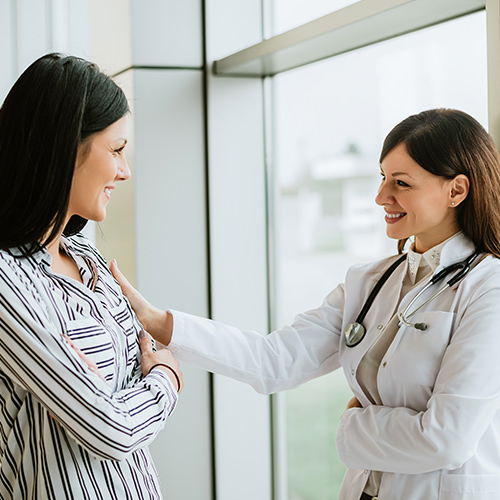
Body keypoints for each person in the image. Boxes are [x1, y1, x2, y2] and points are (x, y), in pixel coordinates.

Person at [112, 108, 500, 500]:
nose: (381, 196)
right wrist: (157, 321)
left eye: (401, 183)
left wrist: (354, 428)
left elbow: (448, 439)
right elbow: (271, 359)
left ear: (456, 190)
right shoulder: (367, 282)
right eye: (382, 177)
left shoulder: (489, 289)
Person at [0, 52, 183, 500]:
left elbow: (136, 367)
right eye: (116, 150)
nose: (125, 170)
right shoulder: (7, 282)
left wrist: (104, 391)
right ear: (63, 147)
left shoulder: (90, 259)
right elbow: (112, 430)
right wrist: (166, 381)